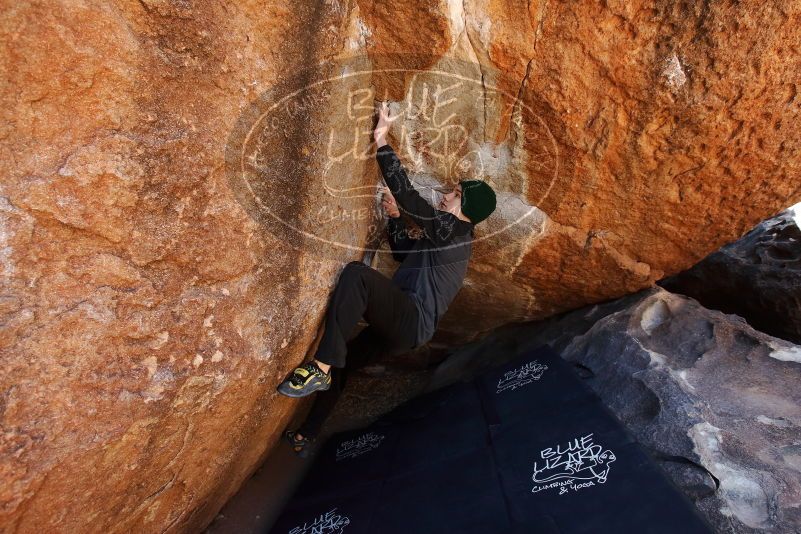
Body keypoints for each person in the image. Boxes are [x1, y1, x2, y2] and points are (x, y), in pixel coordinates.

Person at [277, 102, 497, 456]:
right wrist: (395, 218)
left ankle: (318, 367)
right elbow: (402, 255)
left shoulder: (454, 231)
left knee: (357, 277)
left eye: (454, 195)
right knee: (343, 364)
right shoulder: (449, 239)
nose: (444, 196)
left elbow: (409, 196)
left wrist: (381, 138)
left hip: (409, 322)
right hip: (403, 329)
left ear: (466, 208)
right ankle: (307, 433)